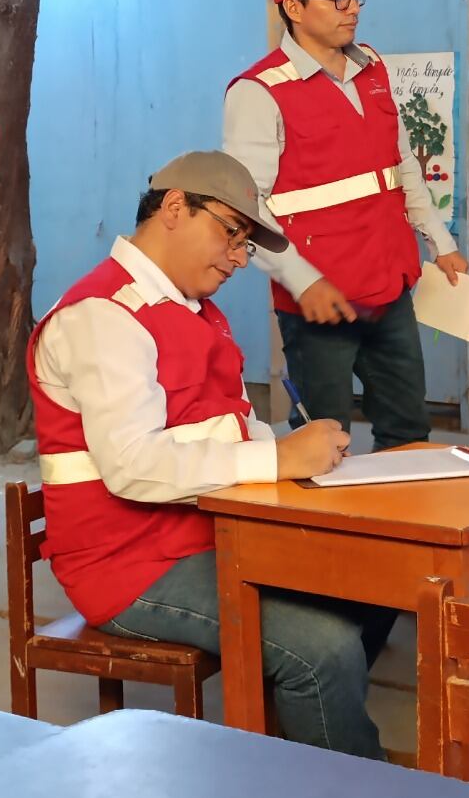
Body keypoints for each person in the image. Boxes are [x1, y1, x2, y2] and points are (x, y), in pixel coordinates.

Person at [28, 151, 384, 757]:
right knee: (320, 648)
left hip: (205, 532)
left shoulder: (194, 312)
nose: (240, 257)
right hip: (129, 564)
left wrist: (297, 448)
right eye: (231, 233)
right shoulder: (104, 315)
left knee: (377, 585)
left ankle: (302, 753)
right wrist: (278, 460)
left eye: (246, 243)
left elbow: (221, 432)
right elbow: (134, 464)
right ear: (173, 208)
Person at [223, 0, 466, 453]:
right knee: (322, 445)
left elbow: (400, 168)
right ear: (293, 8)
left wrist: (439, 243)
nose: (352, 6)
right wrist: (303, 282)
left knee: (408, 434)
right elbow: (248, 205)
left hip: (390, 286)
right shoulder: (259, 91)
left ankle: (405, 531)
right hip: (320, 303)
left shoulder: (372, 67)